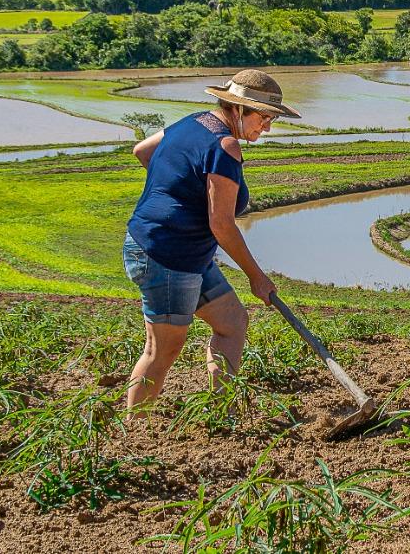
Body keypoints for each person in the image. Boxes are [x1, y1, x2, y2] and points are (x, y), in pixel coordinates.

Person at [122, 68, 301, 411]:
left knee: (232, 322)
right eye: (263, 117)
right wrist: (256, 277)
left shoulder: (193, 122)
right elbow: (222, 225)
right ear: (238, 109)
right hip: (168, 256)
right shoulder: (225, 146)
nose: (267, 127)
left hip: (185, 253)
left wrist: (179, 188)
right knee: (161, 351)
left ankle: (222, 411)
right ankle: (134, 431)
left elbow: (142, 150)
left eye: (272, 119)